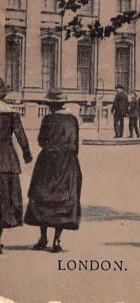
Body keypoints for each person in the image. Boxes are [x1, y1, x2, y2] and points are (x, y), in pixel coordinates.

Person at [24, 89, 82, 253]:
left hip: (48, 161)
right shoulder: (72, 119)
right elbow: (76, 144)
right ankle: (57, 241)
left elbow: (42, 141)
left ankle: (43, 238)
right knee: (63, 199)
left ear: (51, 105)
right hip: (68, 162)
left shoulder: (48, 119)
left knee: (42, 197)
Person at [0, 78, 33, 255]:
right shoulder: (11, 112)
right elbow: (20, 135)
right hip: (7, 160)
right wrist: (27, 153)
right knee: (4, 200)